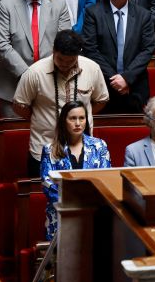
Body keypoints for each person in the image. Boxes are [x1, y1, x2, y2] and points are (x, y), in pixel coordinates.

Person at [13, 29, 108, 177]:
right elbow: (20, 106)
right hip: (43, 150)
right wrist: (41, 117)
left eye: (70, 61)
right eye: (60, 59)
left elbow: (101, 100)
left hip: (83, 153)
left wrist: (78, 117)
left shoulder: (92, 69)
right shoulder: (35, 73)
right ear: (53, 51)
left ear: (78, 55)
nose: (64, 64)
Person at [0, 0, 73, 118]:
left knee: (49, 139)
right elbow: (2, 45)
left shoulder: (59, 5)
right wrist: (28, 75)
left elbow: (64, 44)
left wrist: (43, 75)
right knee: (15, 139)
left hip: (51, 84)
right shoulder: (6, 6)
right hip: (13, 88)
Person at [81, 0, 155, 114]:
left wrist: (126, 78)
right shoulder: (94, 13)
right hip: (103, 85)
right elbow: (91, 49)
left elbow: (148, 49)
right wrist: (115, 80)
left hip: (134, 87)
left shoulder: (143, 15)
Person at [40, 101, 111, 238]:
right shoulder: (49, 150)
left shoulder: (99, 146)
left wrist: (87, 206)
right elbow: (48, 185)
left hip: (93, 214)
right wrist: (76, 206)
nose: (78, 123)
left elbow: (105, 179)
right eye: (72, 118)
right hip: (61, 216)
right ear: (64, 121)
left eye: (82, 118)